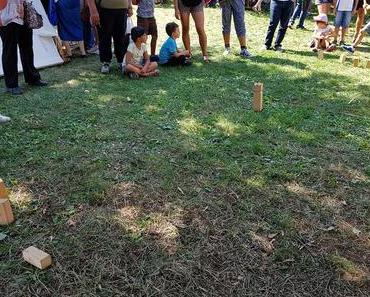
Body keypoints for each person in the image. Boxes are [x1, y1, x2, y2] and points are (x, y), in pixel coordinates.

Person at [0, 0, 48, 95]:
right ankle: (11, 85)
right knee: (10, 50)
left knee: (27, 47)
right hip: (6, 15)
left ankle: (32, 78)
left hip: (22, 12)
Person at [86, 0, 133, 74]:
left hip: (122, 10)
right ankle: (105, 62)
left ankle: (121, 61)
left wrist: (129, 6)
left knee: (121, 37)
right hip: (105, 9)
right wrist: (93, 11)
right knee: (105, 37)